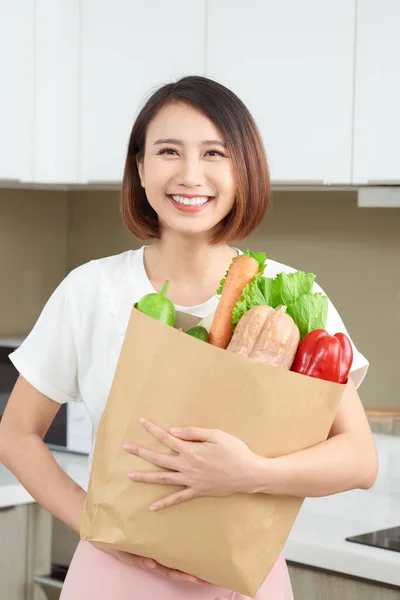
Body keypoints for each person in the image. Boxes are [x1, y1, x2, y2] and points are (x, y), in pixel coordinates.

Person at [0, 76, 378, 600]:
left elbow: (360, 459)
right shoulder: (91, 290)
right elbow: (16, 434)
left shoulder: (290, 300)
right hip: (112, 575)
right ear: (140, 168)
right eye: (168, 151)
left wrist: (251, 473)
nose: (190, 175)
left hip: (242, 578)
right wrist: (96, 527)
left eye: (214, 153)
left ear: (243, 168)